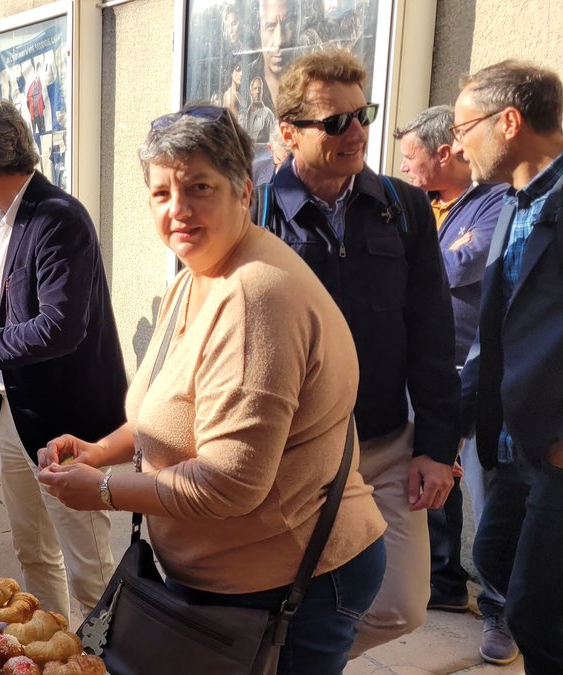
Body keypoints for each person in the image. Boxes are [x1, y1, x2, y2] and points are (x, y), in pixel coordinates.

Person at [38, 104, 387, 674]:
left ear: (243, 191)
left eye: (199, 186)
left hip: (291, 584)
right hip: (229, 579)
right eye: (160, 194)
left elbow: (229, 484)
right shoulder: (198, 274)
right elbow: (169, 410)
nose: (178, 210)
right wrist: (102, 451)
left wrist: (103, 488)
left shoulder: (255, 297)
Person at [261, 49, 459, 656]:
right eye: (335, 121)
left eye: (362, 114)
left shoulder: (402, 207)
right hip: (297, 452)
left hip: (385, 442)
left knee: (400, 604)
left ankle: (289, 660)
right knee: (288, 591)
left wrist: (435, 447)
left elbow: (432, 331)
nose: (357, 132)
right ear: (289, 132)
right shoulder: (256, 212)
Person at [0, 97, 124, 617]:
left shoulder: (59, 217)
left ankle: (107, 660)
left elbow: (60, 329)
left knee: (90, 570)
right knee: (33, 554)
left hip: (65, 421)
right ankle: (57, 650)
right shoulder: (10, 213)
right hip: (16, 411)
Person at [393, 104, 514, 663]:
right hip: (433, 369)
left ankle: (501, 610)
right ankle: (443, 581)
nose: (404, 165)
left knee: (486, 488)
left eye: (411, 155)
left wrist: (415, 264)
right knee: (434, 469)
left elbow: (461, 267)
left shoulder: (495, 202)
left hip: (482, 369)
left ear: (444, 153)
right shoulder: (425, 206)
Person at [454, 60, 563, 672]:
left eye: (465, 127)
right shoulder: (513, 203)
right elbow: (494, 337)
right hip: (515, 445)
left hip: (556, 452)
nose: (456, 143)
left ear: (510, 122)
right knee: (495, 564)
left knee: (539, 616)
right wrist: (451, 423)